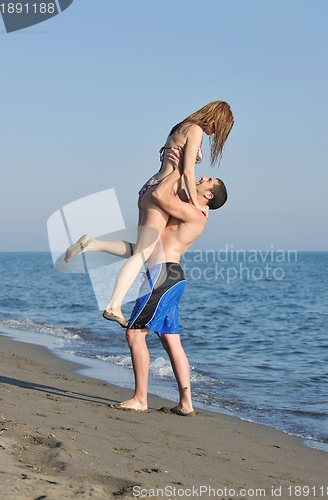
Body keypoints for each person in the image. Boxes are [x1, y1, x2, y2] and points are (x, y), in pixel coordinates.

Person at [66, 161, 228, 416]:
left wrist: (178, 167)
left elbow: (159, 194)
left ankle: (140, 399)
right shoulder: (191, 208)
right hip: (170, 277)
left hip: (162, 277)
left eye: (208, 181)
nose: (203, 177)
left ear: (208, 196)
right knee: (171, 342)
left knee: (135, 334)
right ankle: (186, 404)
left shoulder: (196, 214)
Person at [65, 101, 233, 328]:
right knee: (142, 254)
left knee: (139, 248)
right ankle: (113, 305)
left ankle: (91, 244)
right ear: (216, 119)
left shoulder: (181, 127)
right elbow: (187, 171)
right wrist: (196, 205)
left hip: (151, 186)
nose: (214, 134)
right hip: (161, 192)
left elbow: (179, 169)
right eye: (219, 129)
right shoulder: (195, 130)